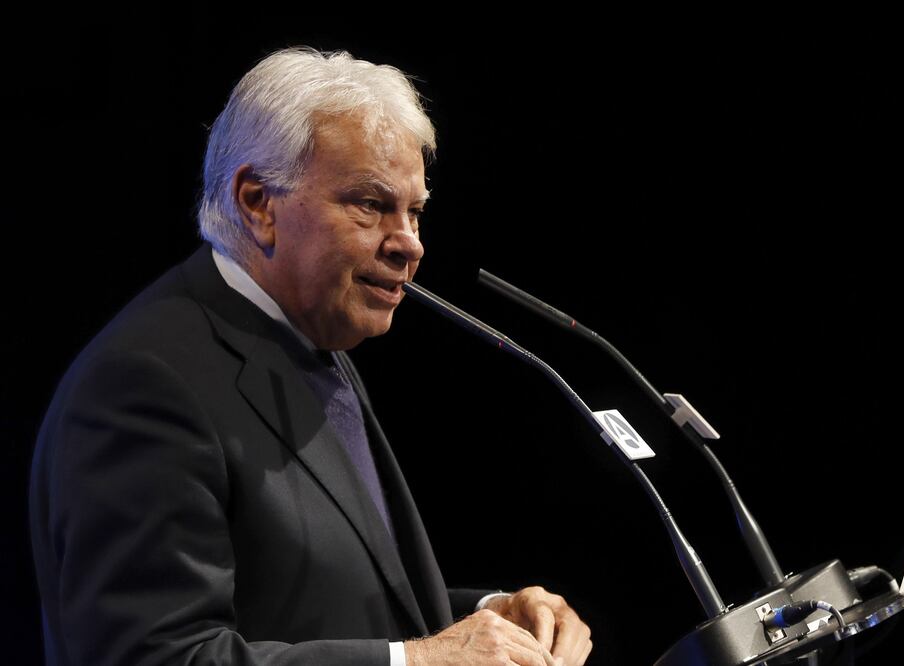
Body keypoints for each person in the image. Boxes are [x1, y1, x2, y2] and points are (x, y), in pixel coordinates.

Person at [28, 47, 592, 666]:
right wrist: (420, 661)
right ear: (257, 202)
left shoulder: (308, 338)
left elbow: (330, 605)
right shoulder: (142, 382)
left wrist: (487, 616)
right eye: (371, 205)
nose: (410, 245)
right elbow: (154, 656)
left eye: (415, 211)